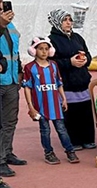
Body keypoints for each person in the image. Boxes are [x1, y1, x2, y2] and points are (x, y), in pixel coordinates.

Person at [22, 36, 80, 165]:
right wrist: (30, 107)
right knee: (45, 130)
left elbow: (59, 83)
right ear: (33, 51)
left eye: (46, 49)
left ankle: (70, 151)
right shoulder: (30, 68)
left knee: (62, 129)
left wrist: (63, 99)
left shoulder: (54, 65)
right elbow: (27, 88)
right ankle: (48, 153)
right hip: (40, 107)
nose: (44, 52)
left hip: (55, 105)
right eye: (41, 49)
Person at [48, 8, 95, 151]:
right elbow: (51, 62)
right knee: (71, 113)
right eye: (65, 20)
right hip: (66, 83)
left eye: (70, 20)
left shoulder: (77, 38)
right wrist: (70, 62)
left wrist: (85, 59)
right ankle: (74, 141)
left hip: (81, 81)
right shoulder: (51, 41)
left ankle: (88, 139)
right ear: (57, 22)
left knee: (85, 112)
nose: (69, 23)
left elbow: (88, 54)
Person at [0, 0, 24, 177]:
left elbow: (14, 51)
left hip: (12, 79)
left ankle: (6, 152)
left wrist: (20, 72)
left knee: (10, 120)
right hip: (1, 80)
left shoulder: (11, 25)